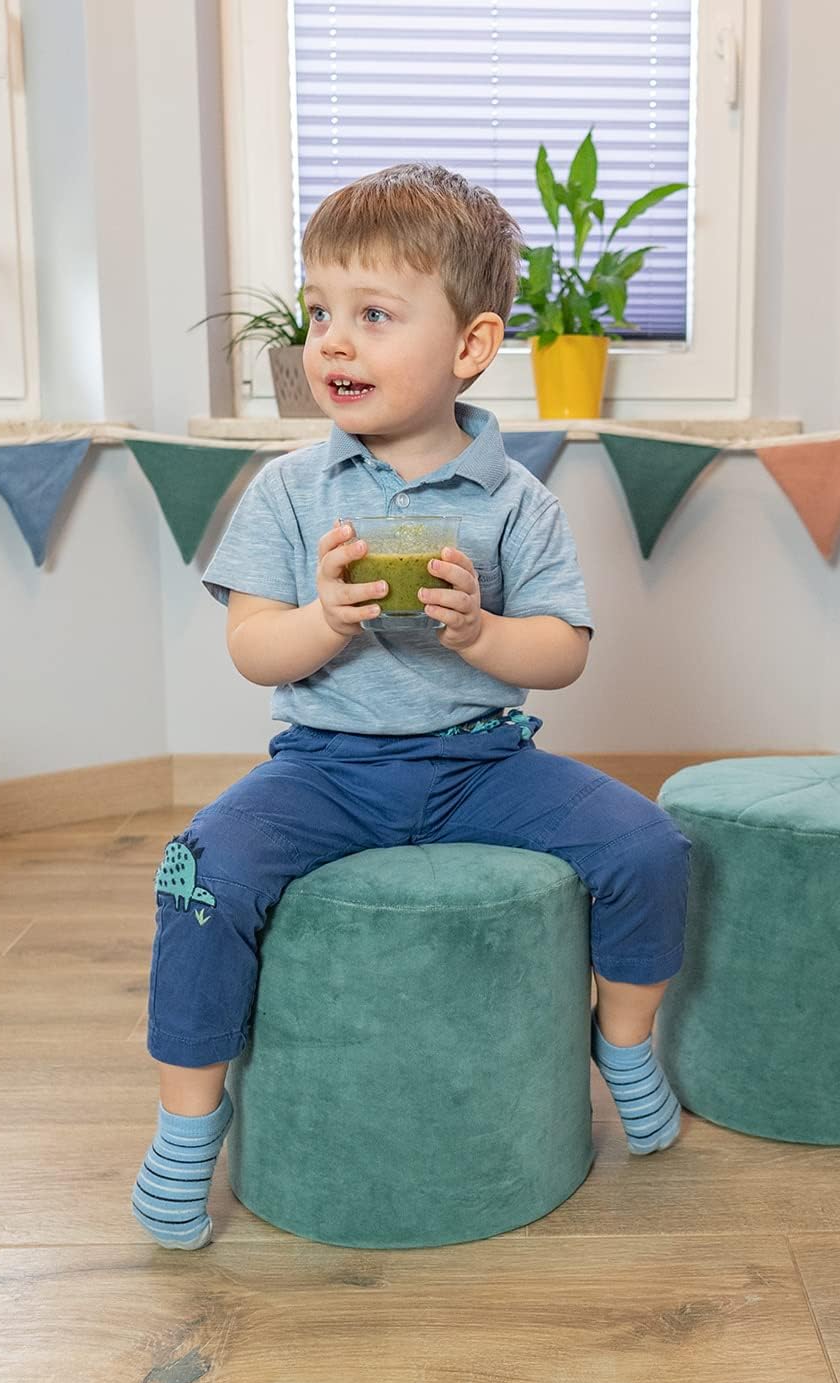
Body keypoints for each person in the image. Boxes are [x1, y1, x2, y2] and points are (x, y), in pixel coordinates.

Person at [132, 163, 691, 1250]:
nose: (333, 342)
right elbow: (252, 647)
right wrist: (324, 620)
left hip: (486, 762)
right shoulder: (289, 490)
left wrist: (480, 633)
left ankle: (623, 1042)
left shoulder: (517, 501)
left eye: (374, 316)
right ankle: (187, 1127)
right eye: (320, 313)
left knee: (650, 847)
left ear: (471, 346)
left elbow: (565, 651)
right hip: (325, 770)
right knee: (200, 877)